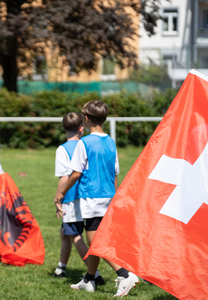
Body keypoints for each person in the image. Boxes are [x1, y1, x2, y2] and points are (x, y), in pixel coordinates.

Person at [56, 100, 139, 297]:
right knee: (96, 242)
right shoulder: (111, 142)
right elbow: (115, 172)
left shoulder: (83, 143)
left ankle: (125, 274)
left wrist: (60, 194)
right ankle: (89, 279)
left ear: (85, 119)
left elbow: (75, 174)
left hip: (92, 198)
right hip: (109, 196)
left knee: (96, 244)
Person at [53, 112, 103, 286]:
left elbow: (64, 178)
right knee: (64, 232)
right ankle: (61, 268)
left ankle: (94, 274)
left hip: (72, 198)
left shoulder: (62, 149)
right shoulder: (86, 144)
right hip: (88, 196)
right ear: (81, 129)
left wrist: (58, 198)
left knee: (75, 235)